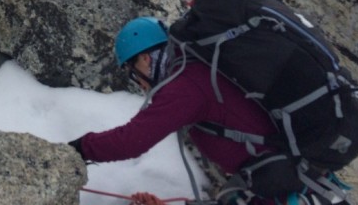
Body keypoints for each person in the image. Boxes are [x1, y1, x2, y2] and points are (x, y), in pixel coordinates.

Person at [67, 17, 342, 205]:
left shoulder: (186, 85)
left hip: (286, 188)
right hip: (290, 184)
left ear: (145, 59)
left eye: (132, 72)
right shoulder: (201, 73)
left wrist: (77, 149)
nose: (137, 82)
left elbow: (131, 141)